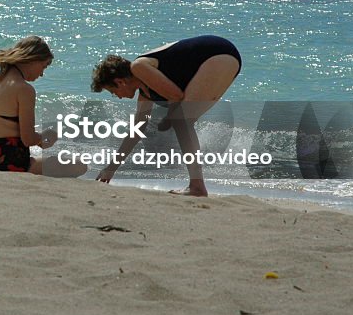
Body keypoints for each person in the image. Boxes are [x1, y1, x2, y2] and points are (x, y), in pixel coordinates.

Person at [90, 35, 242, 196]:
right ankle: (197, 186)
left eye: (113, 92)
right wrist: (111, 169)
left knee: (181, 120)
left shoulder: (138, 67)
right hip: (224, 58)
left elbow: (175, 95)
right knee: (183, 120)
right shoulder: (145, 91)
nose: (118, 96)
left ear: (120, 82)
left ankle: (197, 187)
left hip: (218, 54)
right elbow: (136, 130)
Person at [0, 36, 85, 177]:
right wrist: (45, 136)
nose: (42, 73)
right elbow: (27, 139)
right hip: (10, 162)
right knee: (78, 165)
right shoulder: (24, 89)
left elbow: (7, 129)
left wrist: (39, 141)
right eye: (43, 66)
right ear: (33, 60)